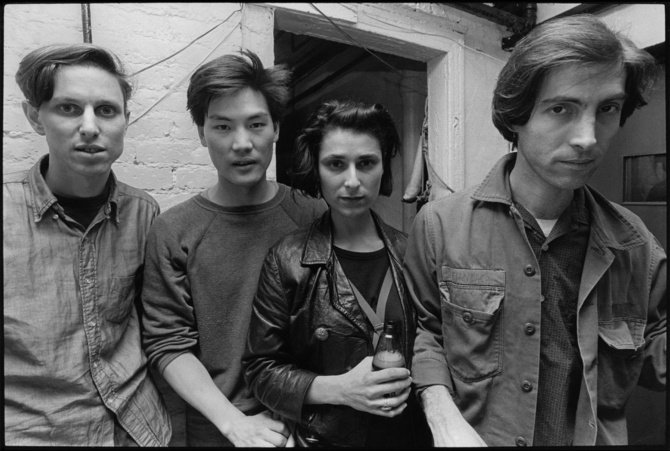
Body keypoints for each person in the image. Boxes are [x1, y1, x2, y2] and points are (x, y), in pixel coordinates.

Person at [404, 14, 666, 447]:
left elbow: (655, 352)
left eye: (607, 109)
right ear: (517, 114)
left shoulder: (635, 245)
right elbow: (426, 332)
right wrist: (439, 412)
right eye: (561, 108)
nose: (588, 138)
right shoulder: (440, 226)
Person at [140, 49, 326, 447]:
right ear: (201, 133)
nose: (242, 143)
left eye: (256, 124)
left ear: (276, 128)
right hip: (219, 430)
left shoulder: (313, 216)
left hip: (306, 424)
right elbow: (167, 342)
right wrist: (234, 424)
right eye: (223, 127)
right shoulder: (173, 230)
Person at [3, 43, 171, 446]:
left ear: (125, 120)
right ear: (35, 117)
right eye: (69, 108)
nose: (91, 126)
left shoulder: (143, 212)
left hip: (138, 428)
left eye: (107, 110)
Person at [243, 100, 431, 448]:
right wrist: (341, 389)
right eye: (336, 164)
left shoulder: (412, 252)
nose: (353, 181)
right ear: (317, 169)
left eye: (366, 163)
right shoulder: (288, 260)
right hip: (328, 439)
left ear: (384, 167)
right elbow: (260, 370)